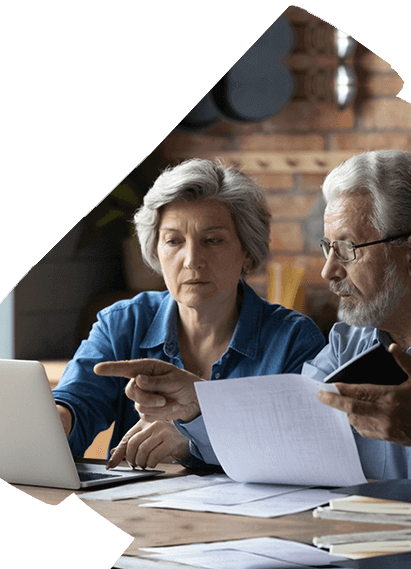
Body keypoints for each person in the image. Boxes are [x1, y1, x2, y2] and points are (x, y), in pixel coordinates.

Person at [113, 150, 411, 495]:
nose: (328, 271)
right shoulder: (346, 346)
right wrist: (199, 407)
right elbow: (282, 439)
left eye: (348, 250)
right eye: (327, 248)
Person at [51, 158, 326, 469]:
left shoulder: (293, 339)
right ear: (156, 252)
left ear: (247, 253)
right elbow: (77, 402)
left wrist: (193, 441)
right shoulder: (123, 323)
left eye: (212, 240)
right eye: (174, 241)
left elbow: (304, 449)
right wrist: (58, 422)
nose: (192, 259)